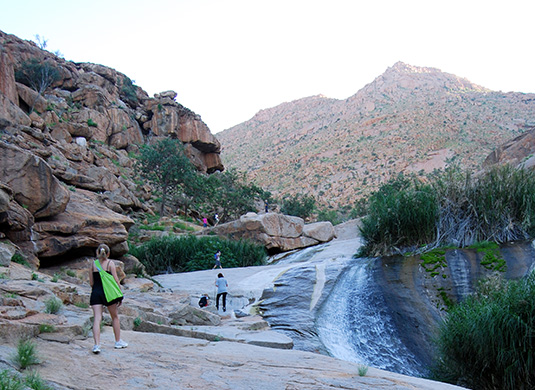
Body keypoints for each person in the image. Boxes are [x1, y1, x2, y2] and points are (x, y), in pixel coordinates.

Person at [89, 243, 128, 354]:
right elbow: (116, 281)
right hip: (109, 294)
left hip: (96, 292)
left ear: (97, 253)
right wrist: (119, 295)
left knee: (97, 318)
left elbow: (91, 282)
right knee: (114, 317)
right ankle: (118, 341)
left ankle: (96, 345)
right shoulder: (110, 264)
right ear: (108, 253)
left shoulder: (93, 265)